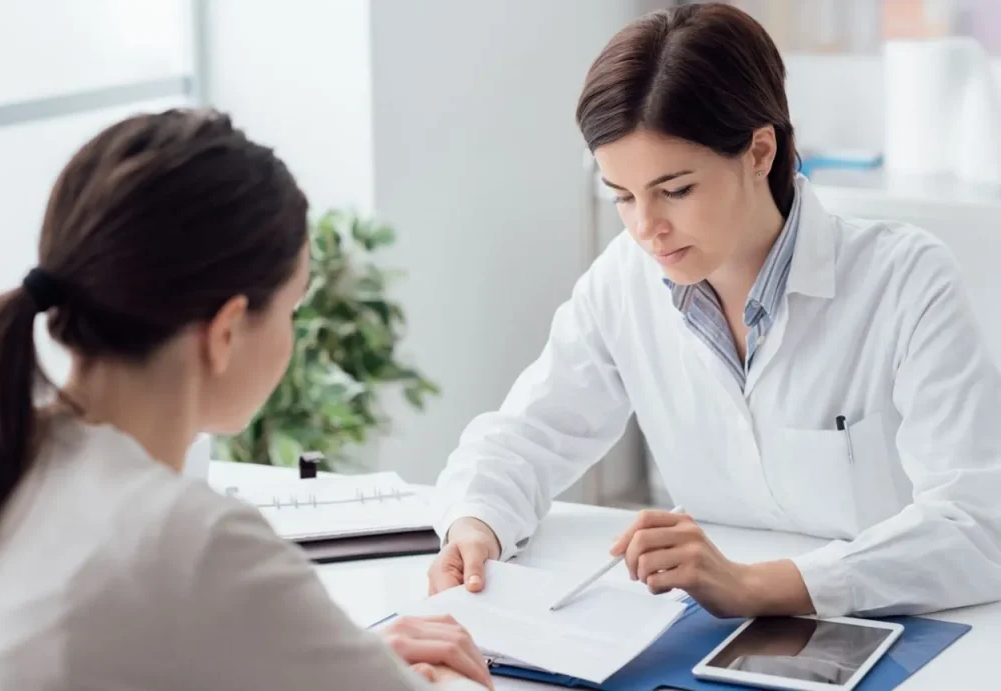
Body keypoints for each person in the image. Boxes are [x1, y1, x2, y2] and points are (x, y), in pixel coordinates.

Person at [428, 2, 1001, 620]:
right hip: (708, 630)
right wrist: (475, 522)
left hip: (906, 623)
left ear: (759, 152)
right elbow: (525, 436)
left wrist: (758, 586)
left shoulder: (906, 280)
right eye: (621, 196)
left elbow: (977, 526)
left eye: (675, 190)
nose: (647, 228)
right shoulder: (627, 278)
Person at [0, 109, 492, 690]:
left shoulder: (9, 449)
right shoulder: (197, 542)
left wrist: (309, 657)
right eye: (292, 309)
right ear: (225, 334)